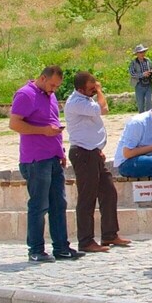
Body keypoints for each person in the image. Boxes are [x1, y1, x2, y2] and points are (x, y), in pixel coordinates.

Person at [11, 66, 83, 263]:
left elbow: (51, 122)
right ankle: (36, 249)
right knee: (39, 205)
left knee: (58, 203)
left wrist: (60, 151)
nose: (54, 89)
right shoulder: (25, 95)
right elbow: (15, 124)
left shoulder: (49, 95)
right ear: (42, 78)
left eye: (57, 87)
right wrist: (43, 131)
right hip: (35, 159)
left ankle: (61, 247)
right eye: (52, 85)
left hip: (52, 157)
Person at [65, 72, 125, 253]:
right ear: (81, 88)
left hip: (93, 152)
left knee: (108, 191)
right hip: (83, 154)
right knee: (87, 198)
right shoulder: (76, 103)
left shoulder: (86, 99)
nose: (95, 89)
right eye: (91, 87)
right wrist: (99, 91)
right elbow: (104, 109)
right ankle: (85, 241)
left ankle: (109, 233)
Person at [129, 45, 152, 113]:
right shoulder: (133, 62)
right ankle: (141, 118)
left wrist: (151, 72)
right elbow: (132, 73)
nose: (142, 54)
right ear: (137, 54)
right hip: (139, 84)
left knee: (148, 101)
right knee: (140, 103)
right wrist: (142, 74)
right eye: (140, 52)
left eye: (143, 52)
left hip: (148, 83)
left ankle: (149, 116)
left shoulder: (148, 60)